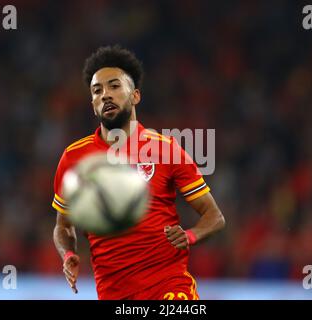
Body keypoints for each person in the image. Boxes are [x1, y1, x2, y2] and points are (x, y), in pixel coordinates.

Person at [52, 45, 225, 300]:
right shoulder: (74, 157)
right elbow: (63, 227)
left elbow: (215, 216)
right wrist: (68, 254)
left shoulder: (166, 149)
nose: (105, 95)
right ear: (92, 105)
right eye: (97, 91)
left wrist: (190, 235)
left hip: (169, 286)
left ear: (135, 96)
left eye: (114, 86)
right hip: (113, 293)